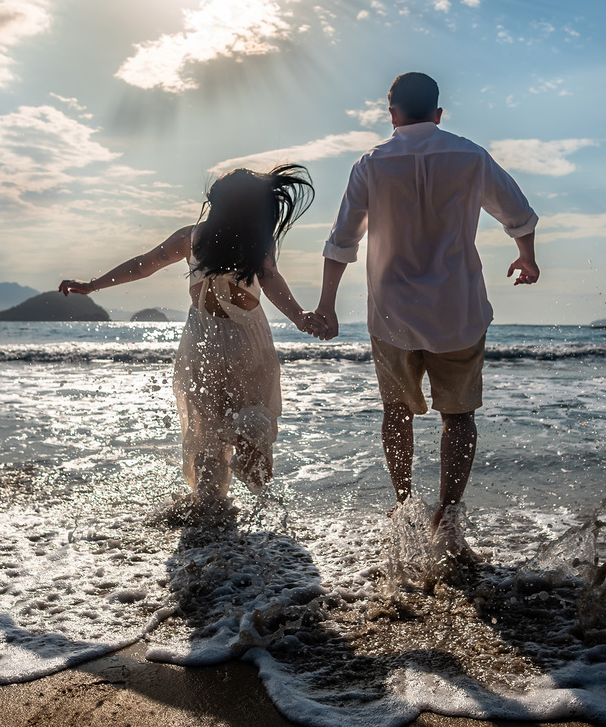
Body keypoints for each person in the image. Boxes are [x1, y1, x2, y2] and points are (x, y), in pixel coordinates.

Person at [314, 72, 540, 552]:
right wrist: (527, 255)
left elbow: (342, 241)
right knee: (458, 416)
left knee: (397, 411)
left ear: (391, 113)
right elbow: (517, 211)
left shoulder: (371, 163)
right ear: (438, 113)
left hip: (392, 313)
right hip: (457, 309)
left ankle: (405, 505)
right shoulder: (469, 155)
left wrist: (326, 305)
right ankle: (449, 515)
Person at [60, 164, 320, 509]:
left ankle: (210, 509)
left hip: (202, 342)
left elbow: (143, 264)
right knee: (251, 414)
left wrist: (93, 285)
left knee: (205, 428)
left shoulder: (192, 236)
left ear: (215, 201)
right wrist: (299, 316)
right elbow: (271, 281)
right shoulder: (257, 243)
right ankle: (256, 486)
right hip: (248, 340)